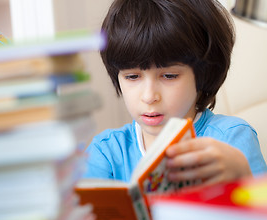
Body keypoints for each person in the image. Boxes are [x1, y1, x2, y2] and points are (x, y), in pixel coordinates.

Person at [84, 0, 267, 186]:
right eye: (132, 77)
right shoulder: (106, 151)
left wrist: (242, 174)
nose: (149, 96)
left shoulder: (231, 139)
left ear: (204, 73)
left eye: (169, 76)